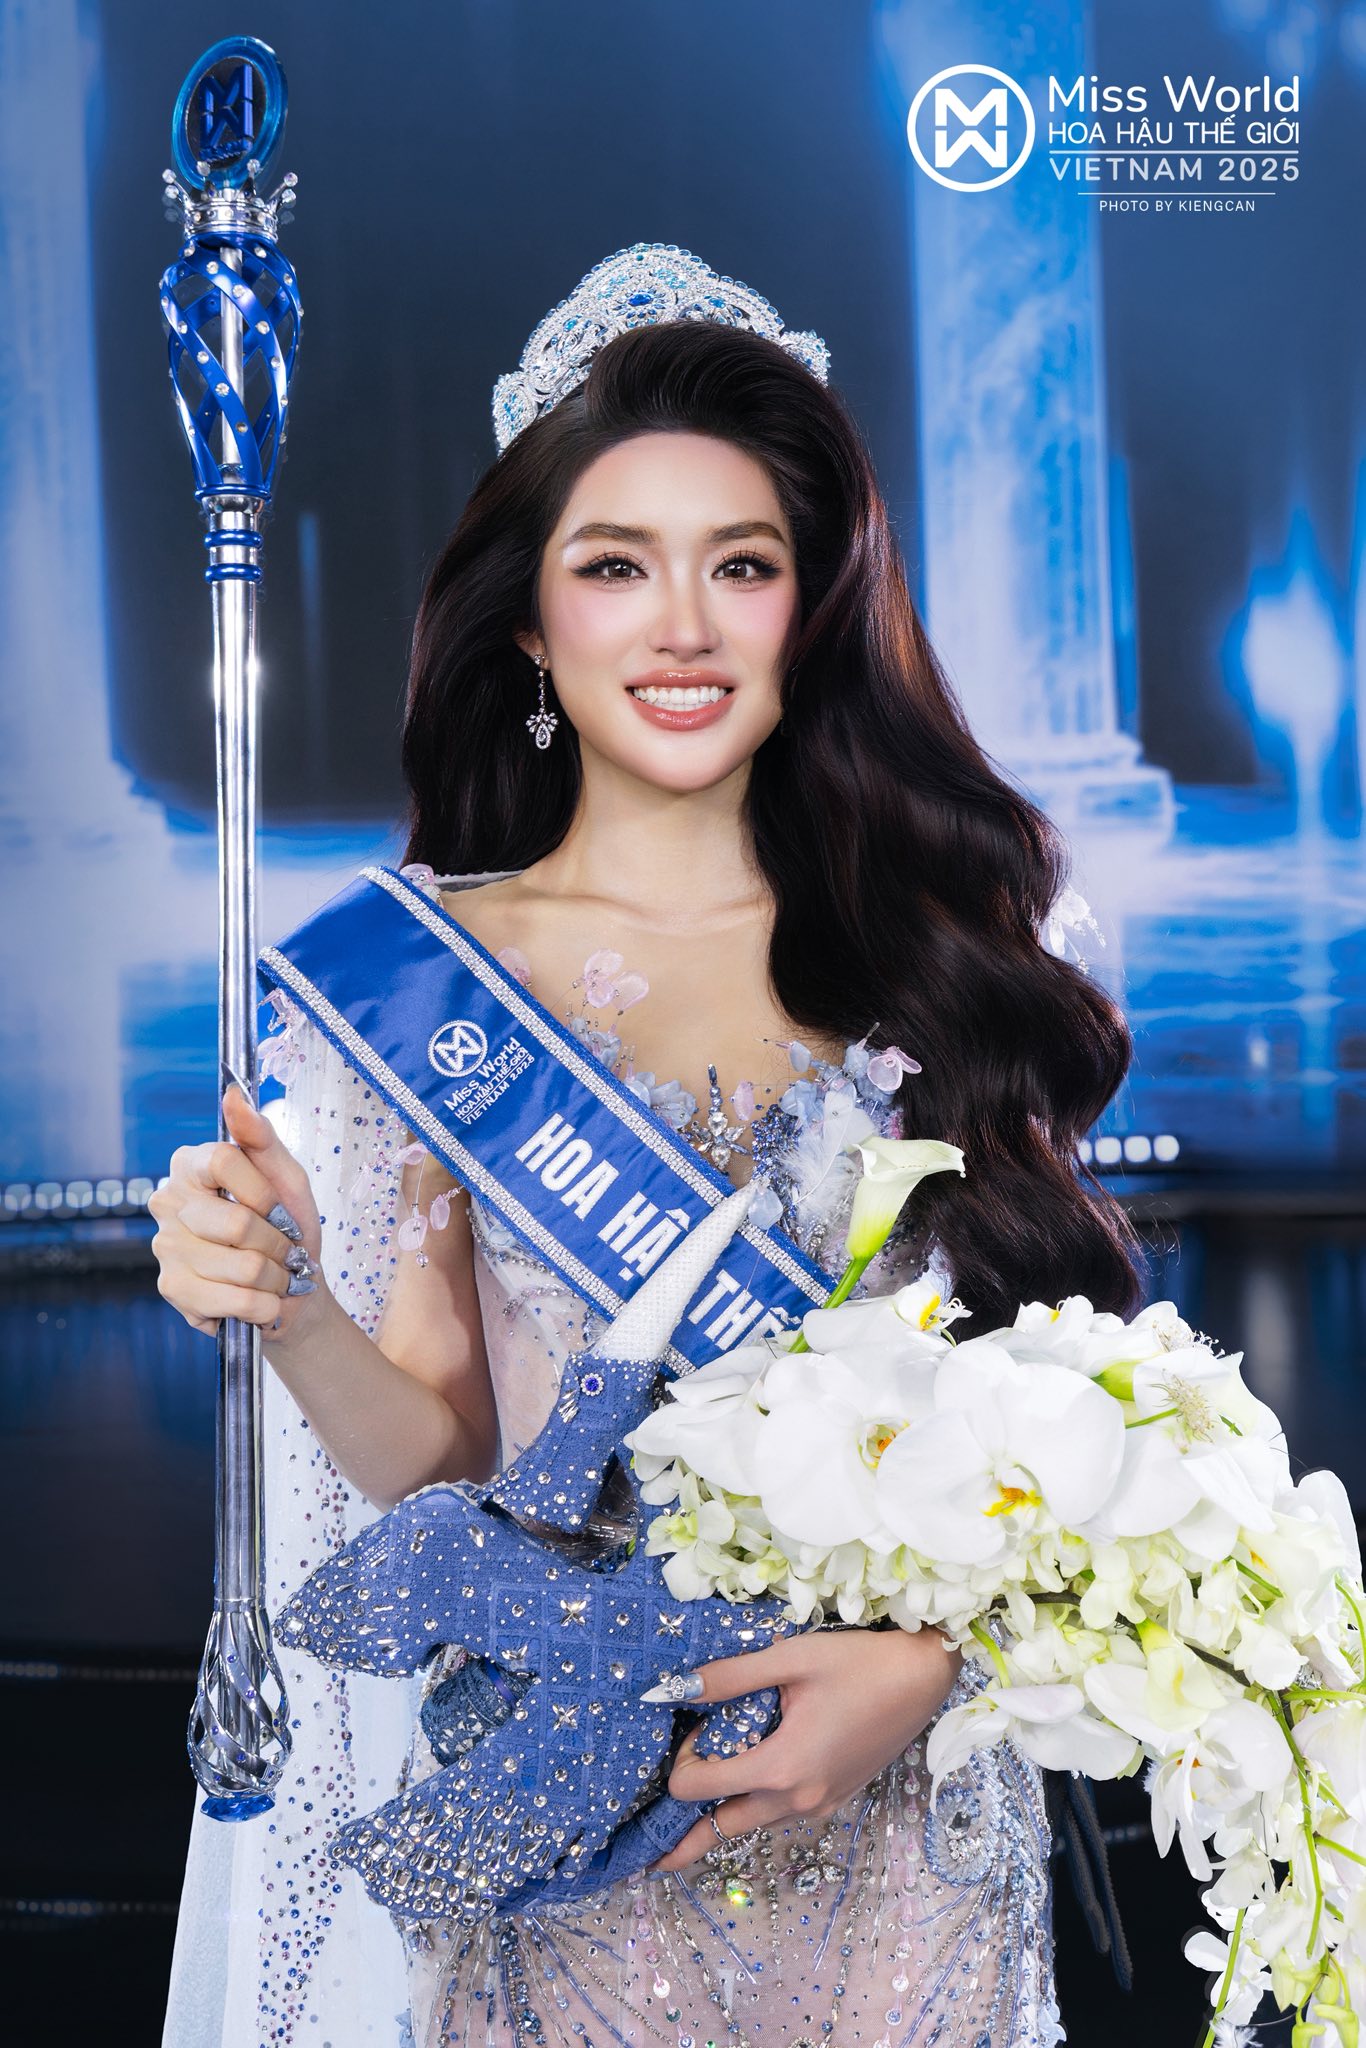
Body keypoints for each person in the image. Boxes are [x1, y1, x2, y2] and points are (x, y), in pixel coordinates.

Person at [155, 246, 1141, 2047]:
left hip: (909, 1856)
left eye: (740, 566)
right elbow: (450, 1463)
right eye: (615, 567)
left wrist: (927, 1665)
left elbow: (1063, 1438)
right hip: (584, 1854)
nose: (681, 626)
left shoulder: (953, 951)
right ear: (531, 626)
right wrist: (290, 1309)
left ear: (807, 612)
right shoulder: (429, 987)